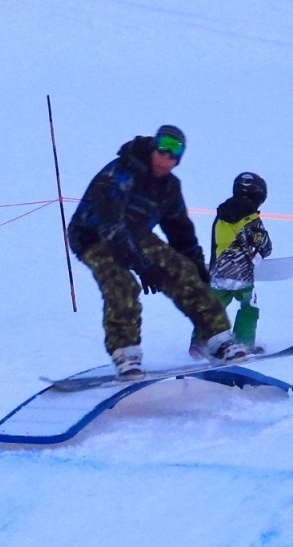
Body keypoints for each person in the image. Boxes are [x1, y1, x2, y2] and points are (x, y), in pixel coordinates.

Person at [67, 125, 250, 379]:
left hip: (135, 232)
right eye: (163, 148)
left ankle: (218, 339)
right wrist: (141, 266)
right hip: (93, 235)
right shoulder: (120, 172)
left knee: (183, 273)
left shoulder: (169, 188)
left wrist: (197, 267)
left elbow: (180, 230)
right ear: (153, 147)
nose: (166, 157)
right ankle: (126, 354)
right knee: (122, 285)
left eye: (175, 152)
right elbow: (110, 223)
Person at [190, 172, 273, 357]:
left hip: (218, 272)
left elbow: (215, 242)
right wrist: (261, 254)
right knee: (249, 307)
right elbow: (264, 244)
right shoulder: (251, 218)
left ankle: (199, 342)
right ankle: (244, 343)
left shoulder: (221, 214)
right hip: (241, 274)